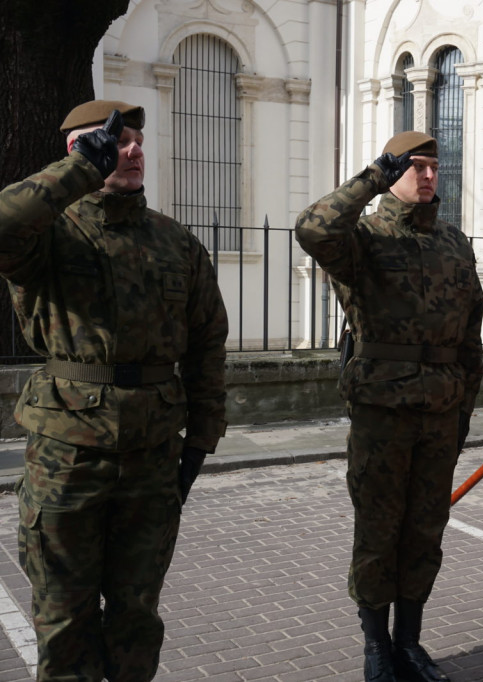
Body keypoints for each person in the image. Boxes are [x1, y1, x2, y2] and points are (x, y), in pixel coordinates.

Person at [0, 99, 228, 681]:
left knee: (135, 615)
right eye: (112, 140)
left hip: (152, 457)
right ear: (77, 150)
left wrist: (201, 438)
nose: (131, 149)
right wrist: (80, 171)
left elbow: (207, 342)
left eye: (134, 140)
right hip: (67, 458)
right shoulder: (47, 235)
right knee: (64, 616)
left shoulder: (176, 243)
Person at [295, 130, 483, 682]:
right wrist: (372, 176)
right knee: (378, 532)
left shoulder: (455, 242)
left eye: (432, 167)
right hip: (382, 410)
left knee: (425, 531)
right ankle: (376, 646)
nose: (427, 176)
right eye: (414, 167)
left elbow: (469, 335)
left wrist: (467, 407)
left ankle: (410, 643)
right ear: (391, 173)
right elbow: (311, 228)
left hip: (441, 412)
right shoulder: (363, 238)